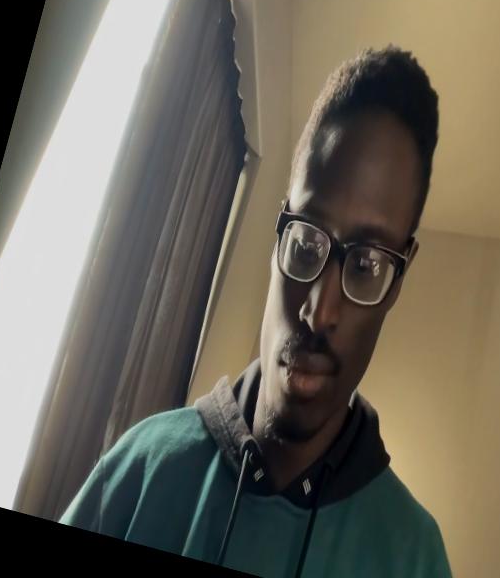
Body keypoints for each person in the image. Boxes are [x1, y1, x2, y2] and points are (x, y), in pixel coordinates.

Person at [59, 45, 453, 578]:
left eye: (366, 264)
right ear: (279, 234)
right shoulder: (143, 467)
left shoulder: (414, 558)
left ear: (397, 281)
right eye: (307, 243)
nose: (319, 311)